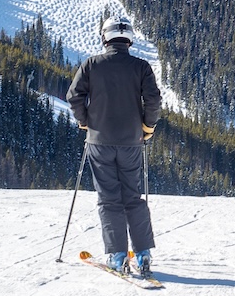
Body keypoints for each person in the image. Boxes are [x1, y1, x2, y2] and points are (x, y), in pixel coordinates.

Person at [66, 15, 163, 277]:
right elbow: (153, 101)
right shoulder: (141, 67)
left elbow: (74, 96)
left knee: (109, 198)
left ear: (105, 37)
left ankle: (118, 255)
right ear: (129, 38)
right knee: (132, 196)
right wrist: (147, 127)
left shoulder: (91, 65)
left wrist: (85, 123)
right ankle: (142, 254)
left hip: (99, 141)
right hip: (132, 141)